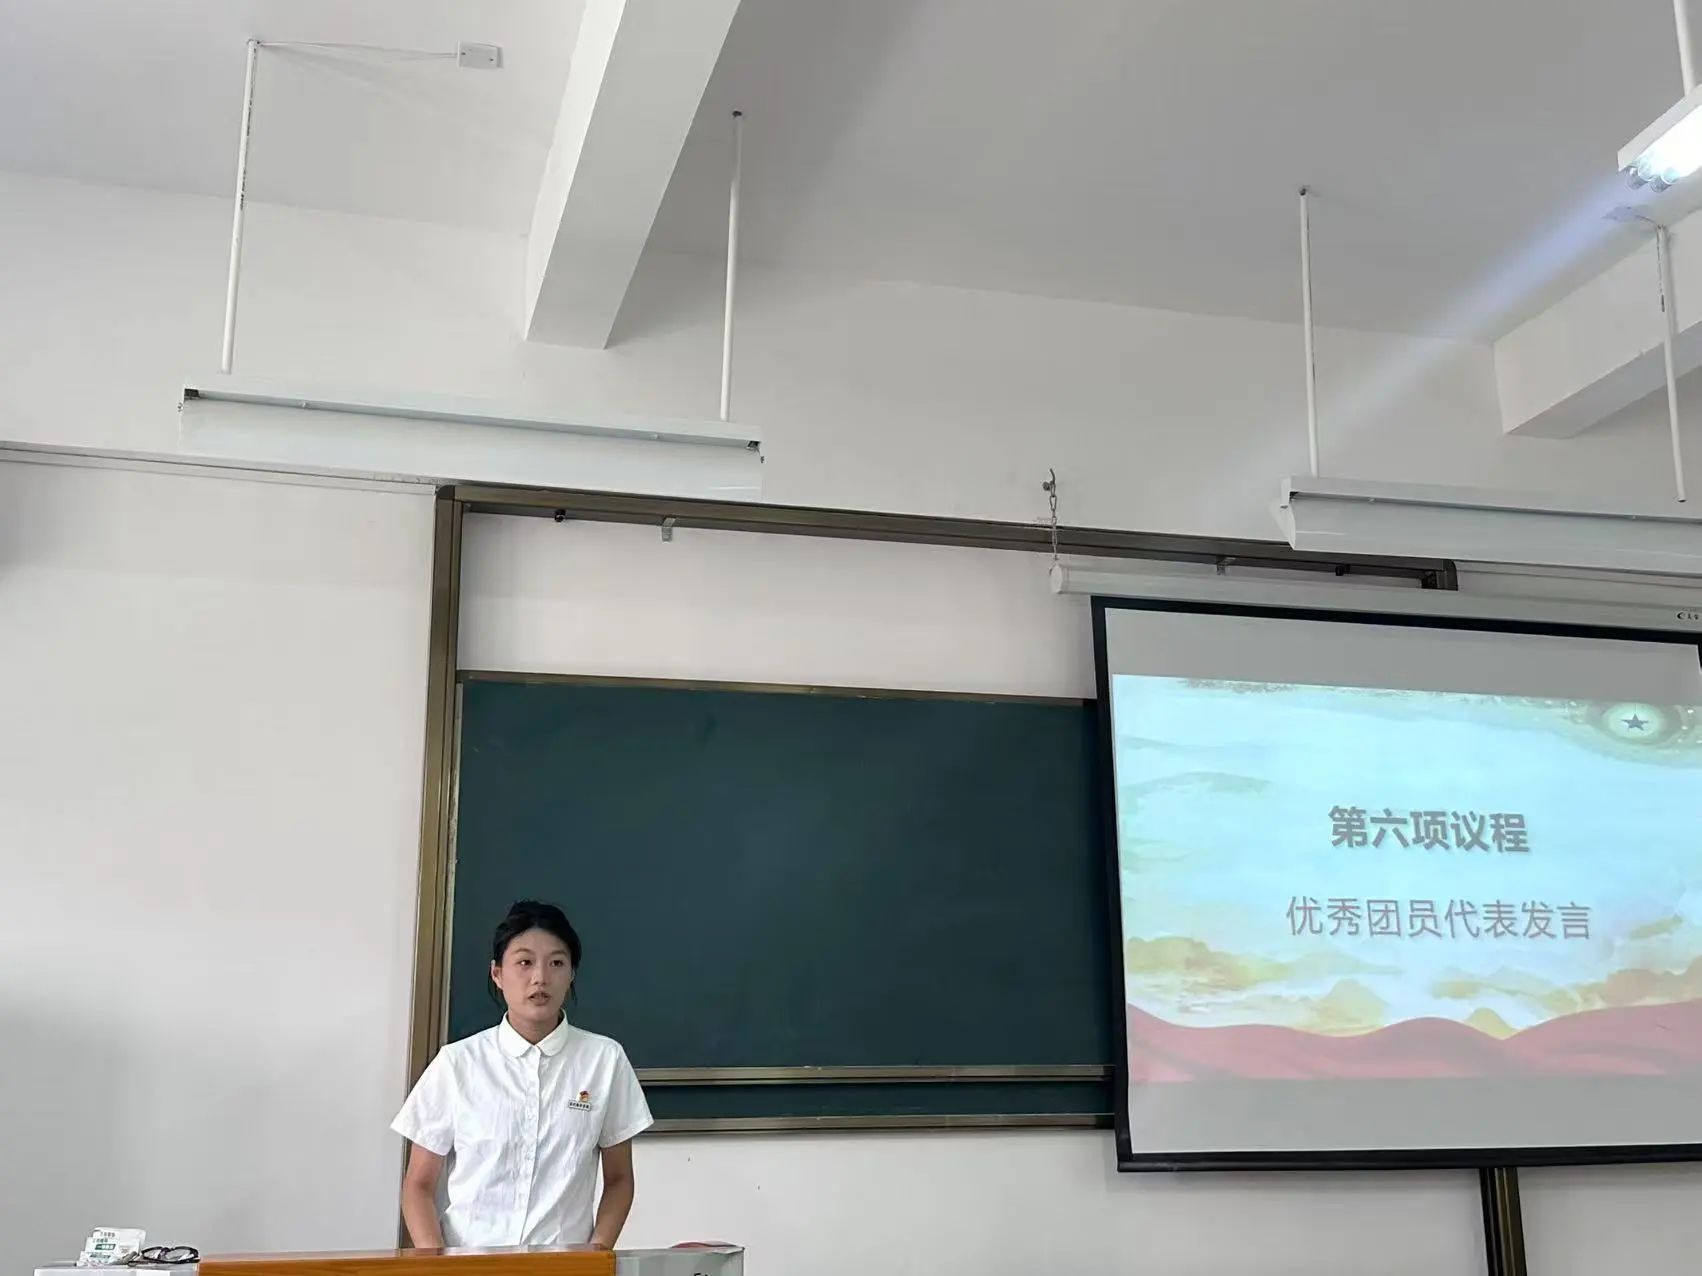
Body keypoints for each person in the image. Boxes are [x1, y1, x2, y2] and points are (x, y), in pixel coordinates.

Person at [393, 900, 653, 1249]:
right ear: (497, 973)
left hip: (563, 1265)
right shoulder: (457, 1064)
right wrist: (437, 1265)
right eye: (524, 962)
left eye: (556, 963)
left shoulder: (604, 1060)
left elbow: (619, 1179)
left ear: (572, 974)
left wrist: (595, 1255)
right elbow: (418, 1185)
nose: (540, 978)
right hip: (469, 1264)